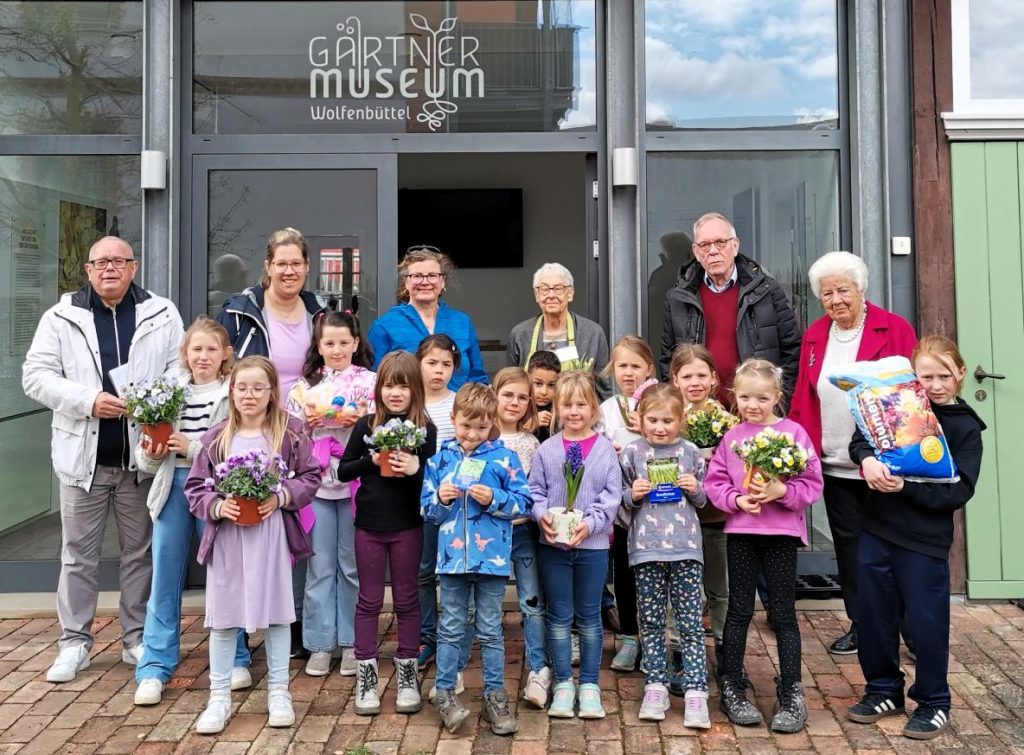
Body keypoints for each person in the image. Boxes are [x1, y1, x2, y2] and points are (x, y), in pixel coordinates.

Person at [22, 236, 185, 684]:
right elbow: (35, 376)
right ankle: (74, 642)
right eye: (101, 262)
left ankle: (136, 638)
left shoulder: (161, 312)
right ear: (88, 270)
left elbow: (181, 369)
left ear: (133, 267)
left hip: (141, 459)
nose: (109, 268)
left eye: (118, 261)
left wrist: (155, 401)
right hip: (83, 460)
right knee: (78, 556)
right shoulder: (61, 317)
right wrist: (87, 400)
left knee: (139, 554)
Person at [846, 336, 984, 741]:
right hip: (877, 528)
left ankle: (934, 700)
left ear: (960, 373)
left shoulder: (965, 427)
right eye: (927, 377)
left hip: (924, 540)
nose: (936, 385)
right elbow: (861, 439)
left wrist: (904, 488)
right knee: (873, 615)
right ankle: (882, 690)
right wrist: (866, 461)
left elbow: (959, 491)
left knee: (926, 622)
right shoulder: (897, 406)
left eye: (945, 376)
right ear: (913, 377)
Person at [788, 251, 917, 656]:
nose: (836, 300)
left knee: (896, 547)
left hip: (885, 463)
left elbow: (909, 395)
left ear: (861, 289)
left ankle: (911, 631)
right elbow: (804, 396)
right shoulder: (816, 334)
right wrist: (800, 448)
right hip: (835, 462)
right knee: (850, 550)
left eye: (843, 290)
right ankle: (862, 625)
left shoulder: (893, 328)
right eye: (827, 294)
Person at [184, 356, 321, 734]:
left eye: (259, 388)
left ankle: (279, 692)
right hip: (228, 539)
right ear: (231, 390)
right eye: (242, 387)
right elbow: (195, 487)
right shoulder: (216, 437)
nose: (250, 395)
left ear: (272, 392)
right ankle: (218, 698)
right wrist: (217, 505)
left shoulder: (290, 433)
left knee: (277, 615)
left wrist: (281, 497)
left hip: (271, 535)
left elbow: (311, 476)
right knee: (224, 618)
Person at [215, 227, 330, 657]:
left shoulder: (319, 312)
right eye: (281, 263)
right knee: (247, 526)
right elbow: (224, 368)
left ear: (307, 267)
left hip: (304, 434)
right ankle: (241, 632)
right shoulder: (240, 311)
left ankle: (291, 620)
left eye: (296, 263)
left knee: (296, 524)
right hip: (252, 430)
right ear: (267, 266)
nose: (289, 271)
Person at [134, 318, 250, 705]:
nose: (203, 356)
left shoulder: (232, 394)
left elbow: (239, 451)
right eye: (196, 349)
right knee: (165, 577)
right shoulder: (168, 392)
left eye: (211, 349)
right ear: (185, 354)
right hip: (173, 488)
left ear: (225, 354)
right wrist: (152, 453)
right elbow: (146, 458)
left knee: (225, 574)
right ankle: (154, 665)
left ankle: (236, 657)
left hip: (214, 491)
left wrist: (194, 447)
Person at [704, 359, 823, 733]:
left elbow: (812, 483)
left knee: (783, 613)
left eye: (761, 398)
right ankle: (732, 684)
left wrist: (782, 491)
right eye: (745, 397)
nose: (752, 405)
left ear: (776, 396)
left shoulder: (793, 434)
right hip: (742, 533)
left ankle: (791, 689)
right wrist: (737, 500)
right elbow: (715, 483)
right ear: (734, 396)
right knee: (739, 609)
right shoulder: (732, 438)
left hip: (781, 534)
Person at [421, 383, 532, 735]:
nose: (472, 434)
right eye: (465, 426)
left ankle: (494, 696)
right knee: (451, 626)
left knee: (490, 630)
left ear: (492, 423)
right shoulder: (439, 461)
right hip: (452, 561)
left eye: (481, 427)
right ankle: (444, 692)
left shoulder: (505, 459)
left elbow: (524, 503)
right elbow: (427, 512)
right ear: (453, 418)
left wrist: (494, 498)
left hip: (492, 562)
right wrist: (440, 498)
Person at [338, 351, 438, 716]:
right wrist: (372, 460)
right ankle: (366, 674)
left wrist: (416, 467)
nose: (395, 393)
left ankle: (407, 672)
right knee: (368, 600)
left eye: (404, 386)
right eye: (389, 386)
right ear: (378, 388)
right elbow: (343, 471)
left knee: (407, 600)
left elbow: (435, 480)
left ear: (416, 390)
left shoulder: (426, 429)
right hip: (369, 526)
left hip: (408, 526)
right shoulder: (366, 426)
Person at [286, 310, 376, 678]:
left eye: (343, 342)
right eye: (329, 343)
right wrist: (306, 426)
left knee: (353, 566)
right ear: (319, 346)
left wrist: (362, 422)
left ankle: (354, 642)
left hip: (357, 484)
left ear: (355, 344)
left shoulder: (370, 383)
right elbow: (289, 436)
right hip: (318, 485)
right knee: (320, 567)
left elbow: (382, 429)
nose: (337, 349)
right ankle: (320, 644)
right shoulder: (303, 388)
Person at [530, 372, 621, 719]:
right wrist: (541, 515)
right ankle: (564, 683)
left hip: (592, 546)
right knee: (558, 615)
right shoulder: (547, 450)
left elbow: (611, 496)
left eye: (581, 404)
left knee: (589, 615)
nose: (574, 411)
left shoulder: (604, 451)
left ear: (593, 408)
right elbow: (535, 490)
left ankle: (590, 685)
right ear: (557, 408)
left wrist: (592, 524)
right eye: (567, 405)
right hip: (553, 545)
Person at [618, 384, 710, 728]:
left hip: (685, 549)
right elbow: (619, 501)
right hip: (646, 549)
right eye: (653, 420)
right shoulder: (631, 453)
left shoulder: (690, 452)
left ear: (680, 419)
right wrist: (632, 494)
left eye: (668, 421)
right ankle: (655, 685)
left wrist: (695, 488)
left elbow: (703, 500)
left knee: (690, 623)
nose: (660, 427)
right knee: (651, 621)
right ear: (640, 419)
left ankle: (696, 691)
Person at [659, 212, 802, 406]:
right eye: (704, 245)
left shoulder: (767, 291)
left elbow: (793, 352)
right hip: (699, 412)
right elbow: (669, 361)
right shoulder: (678, 298)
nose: (713, 251)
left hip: (756, 410)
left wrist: (779, 405)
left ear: (735, 246)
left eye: (720, 242)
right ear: (696, 251)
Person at [670, 344, 732, 684]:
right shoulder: (669, 418)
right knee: (681, 592)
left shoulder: (726, 421)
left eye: (701, 375)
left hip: (715, 517)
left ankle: (725, 650)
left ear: (713, 379)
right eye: (687, 376)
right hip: (678, 518)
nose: (694, 382)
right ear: (675, 380)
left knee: (719, 588)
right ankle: (680, 652)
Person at [491, 367, 551, 707]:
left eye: (522, 398)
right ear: (494, 396)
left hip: (523, 530)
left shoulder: (532, 443)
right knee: (482, 602)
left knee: (531, 600)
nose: (515, 402)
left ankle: (539, 668)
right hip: (488, 532)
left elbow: (535, 490)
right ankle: (462, 668)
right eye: (508, 395)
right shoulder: (484, 438)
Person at [597, 336, 655, 673]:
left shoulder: (660, 401)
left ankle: (655, 639)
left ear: (649, 368)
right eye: (622, 366)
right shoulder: (608, 408)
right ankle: (630, 637)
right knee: (624, 573)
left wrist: (646, 429)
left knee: (654, 575)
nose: (629, 373)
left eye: (636, 366)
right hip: (622, 507)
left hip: (658, 508)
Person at [367, 247, 487, 390]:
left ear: (442, 281)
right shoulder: (384, 326)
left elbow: (478, 378)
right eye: (417, 276)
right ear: (406, 282)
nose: (425, 282)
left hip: (458, 404)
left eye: (432, 275)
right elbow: (373, 380)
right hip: (408, 405)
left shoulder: (462, 322)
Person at [415, 334, 460, 670]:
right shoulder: (411, 404)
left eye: (446, 364)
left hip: (455, 501)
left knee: (455, 571)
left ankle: (458, 633)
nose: (438, 370)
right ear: (418, 363)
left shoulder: (458, 403)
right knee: (424, 570)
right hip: (419, 500)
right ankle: (426, 635)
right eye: (431, 363)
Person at [507, 263, 610, 386]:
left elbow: (604, 388)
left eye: (558, 289)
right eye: (544, 289)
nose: (551, 295)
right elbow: (511, 384)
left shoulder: (593, 333)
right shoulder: (519, 334)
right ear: (537, 295)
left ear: (570, 293)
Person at [528, 350, 561, 443]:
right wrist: (531, 424)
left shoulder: (560, 408)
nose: (544, 392)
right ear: (527, 378)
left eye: (551, 385)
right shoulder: (521, 407)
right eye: (538, 383)